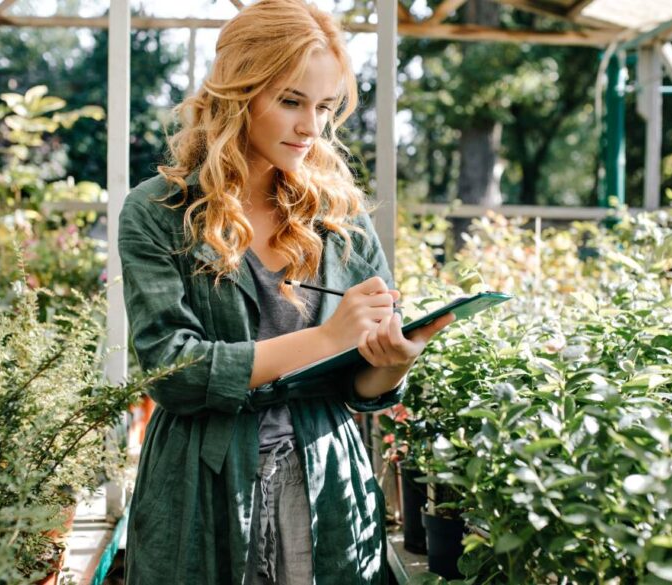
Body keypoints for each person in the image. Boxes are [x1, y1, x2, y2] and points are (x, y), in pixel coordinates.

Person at [118, 1, 455, 582]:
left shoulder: (339, 214)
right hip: (205, 480)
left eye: (325, 107)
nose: (311, 127)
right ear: (237, 93)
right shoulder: (158, 212)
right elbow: (170, 371)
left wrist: (392, 364)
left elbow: (358, 384)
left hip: (325, 478)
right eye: (291, 101)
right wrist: (326, 337)